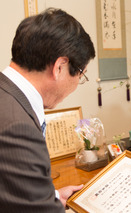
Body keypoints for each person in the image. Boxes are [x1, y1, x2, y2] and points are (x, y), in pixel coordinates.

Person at [0, 8, 95, 212]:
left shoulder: (7, 96)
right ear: (60, 66)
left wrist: (50, 196)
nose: (78, 82)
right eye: (80, 74)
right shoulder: (17, 127)